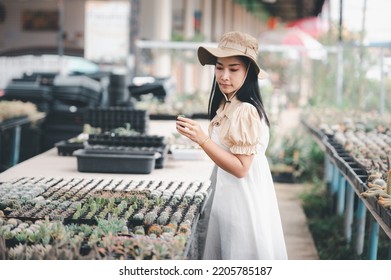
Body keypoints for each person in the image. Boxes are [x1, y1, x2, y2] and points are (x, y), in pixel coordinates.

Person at [176, 31, 288, 260]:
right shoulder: (228, 103)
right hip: (229, 195)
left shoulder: (245, 110)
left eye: (234, 69)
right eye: (219, 67)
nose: (224, 76)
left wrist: (202, 139)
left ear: (249, 71)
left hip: (241, 201)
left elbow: (241, 168)